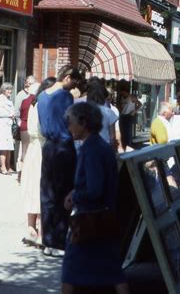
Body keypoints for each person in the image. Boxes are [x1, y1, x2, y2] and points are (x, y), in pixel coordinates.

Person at [62, 102, 129, 294]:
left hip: (90, 220)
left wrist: (75, 197)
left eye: (71, 122)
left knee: (70, 271)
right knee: (112, 271)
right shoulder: (99, 145)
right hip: (103, 218)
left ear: (83, 123)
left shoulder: (91, 149)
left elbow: (94, 189)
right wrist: (74, 193)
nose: (69, 127)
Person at [37, 65, 81, 257]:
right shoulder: (65, 97)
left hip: (48, 147)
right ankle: (59, 241)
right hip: (64, 146)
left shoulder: (42, 96)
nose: (74, 87)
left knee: (47, 194)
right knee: (63, 193)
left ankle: (48, 241)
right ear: (68, 77)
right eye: (74, 82)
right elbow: (72, 123)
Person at [21, 77, 56, 246]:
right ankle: (42, 233)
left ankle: (30, 229)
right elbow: (46, 130)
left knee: (31, 187)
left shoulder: (33, 104)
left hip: (33, 149)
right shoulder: (45, 105)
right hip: (42, 148)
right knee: (42, 188)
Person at [87, 83, 118, 150]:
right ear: (105, 96)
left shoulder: (83, 110)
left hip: (86, 146)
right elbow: (112, 136)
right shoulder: (109, 112)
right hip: (103, 146)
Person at [0, 83, 15, 175]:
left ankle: (8, 166)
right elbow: (1, 112)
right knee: (4, 147)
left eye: (11, 89)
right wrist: (11, 115)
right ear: (3, 90)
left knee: (9, 147)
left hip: (8, 126)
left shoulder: (8, 99)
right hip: (2, 127)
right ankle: (3, 167)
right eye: (8, 89)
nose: (10, 91)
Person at [16, 75, 35, 164]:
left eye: (32, 83)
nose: (29, 85)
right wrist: (19, 123)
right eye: (28, 83)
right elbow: (16, 110)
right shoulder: (21, 95)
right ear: (25, 83)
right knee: (23, 148)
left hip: (32, 124)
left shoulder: (35, 95)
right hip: (23, 124)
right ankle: (20, 168)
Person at [118, 84, 141, 151]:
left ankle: (129, 146)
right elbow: (122, 106)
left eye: (122, 92)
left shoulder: (131, 97)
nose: (121, 93)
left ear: (125, 91)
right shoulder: (122, 97)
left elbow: (140, 104)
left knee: (127, 132)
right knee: (122, 131)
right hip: (123, 115)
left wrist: (134, 111)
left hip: (129, 116)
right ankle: (124, 145)